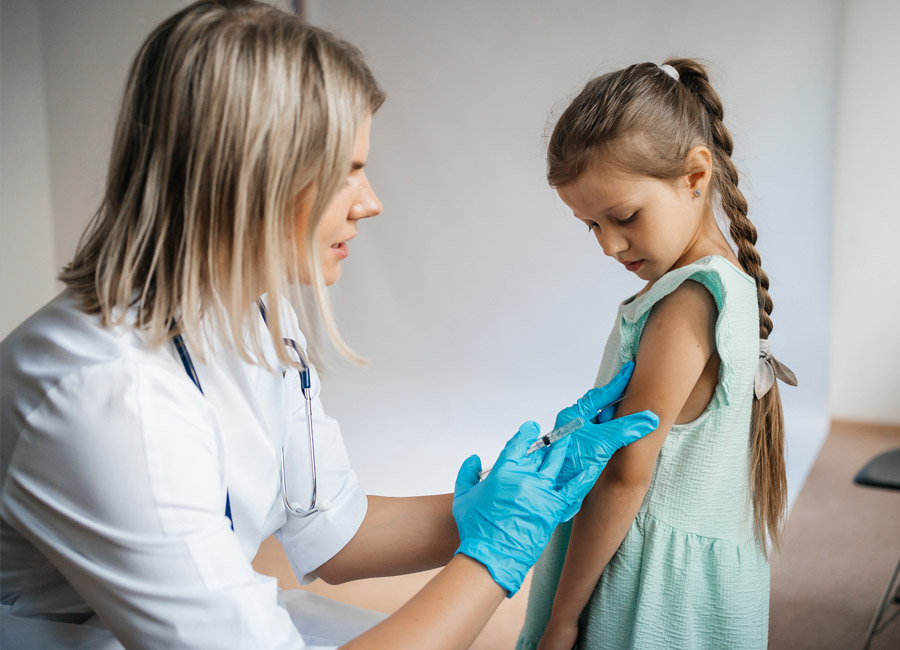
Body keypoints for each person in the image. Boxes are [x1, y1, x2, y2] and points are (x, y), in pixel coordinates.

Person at [0, 2, 660, 649]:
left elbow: (333, 532)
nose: (370, 203)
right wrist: (496, 554)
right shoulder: (102, 397)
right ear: (248, 178)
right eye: (346, 173)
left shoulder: (253, 312)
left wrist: (497, 500)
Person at [515, 59, 798, 650]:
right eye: (589, 225)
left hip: (648, 589)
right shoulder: (719, 282)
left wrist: (565, 617)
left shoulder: (688, 300)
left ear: (696, 175)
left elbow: (624, 476)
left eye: (623, 217)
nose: (608, 244)